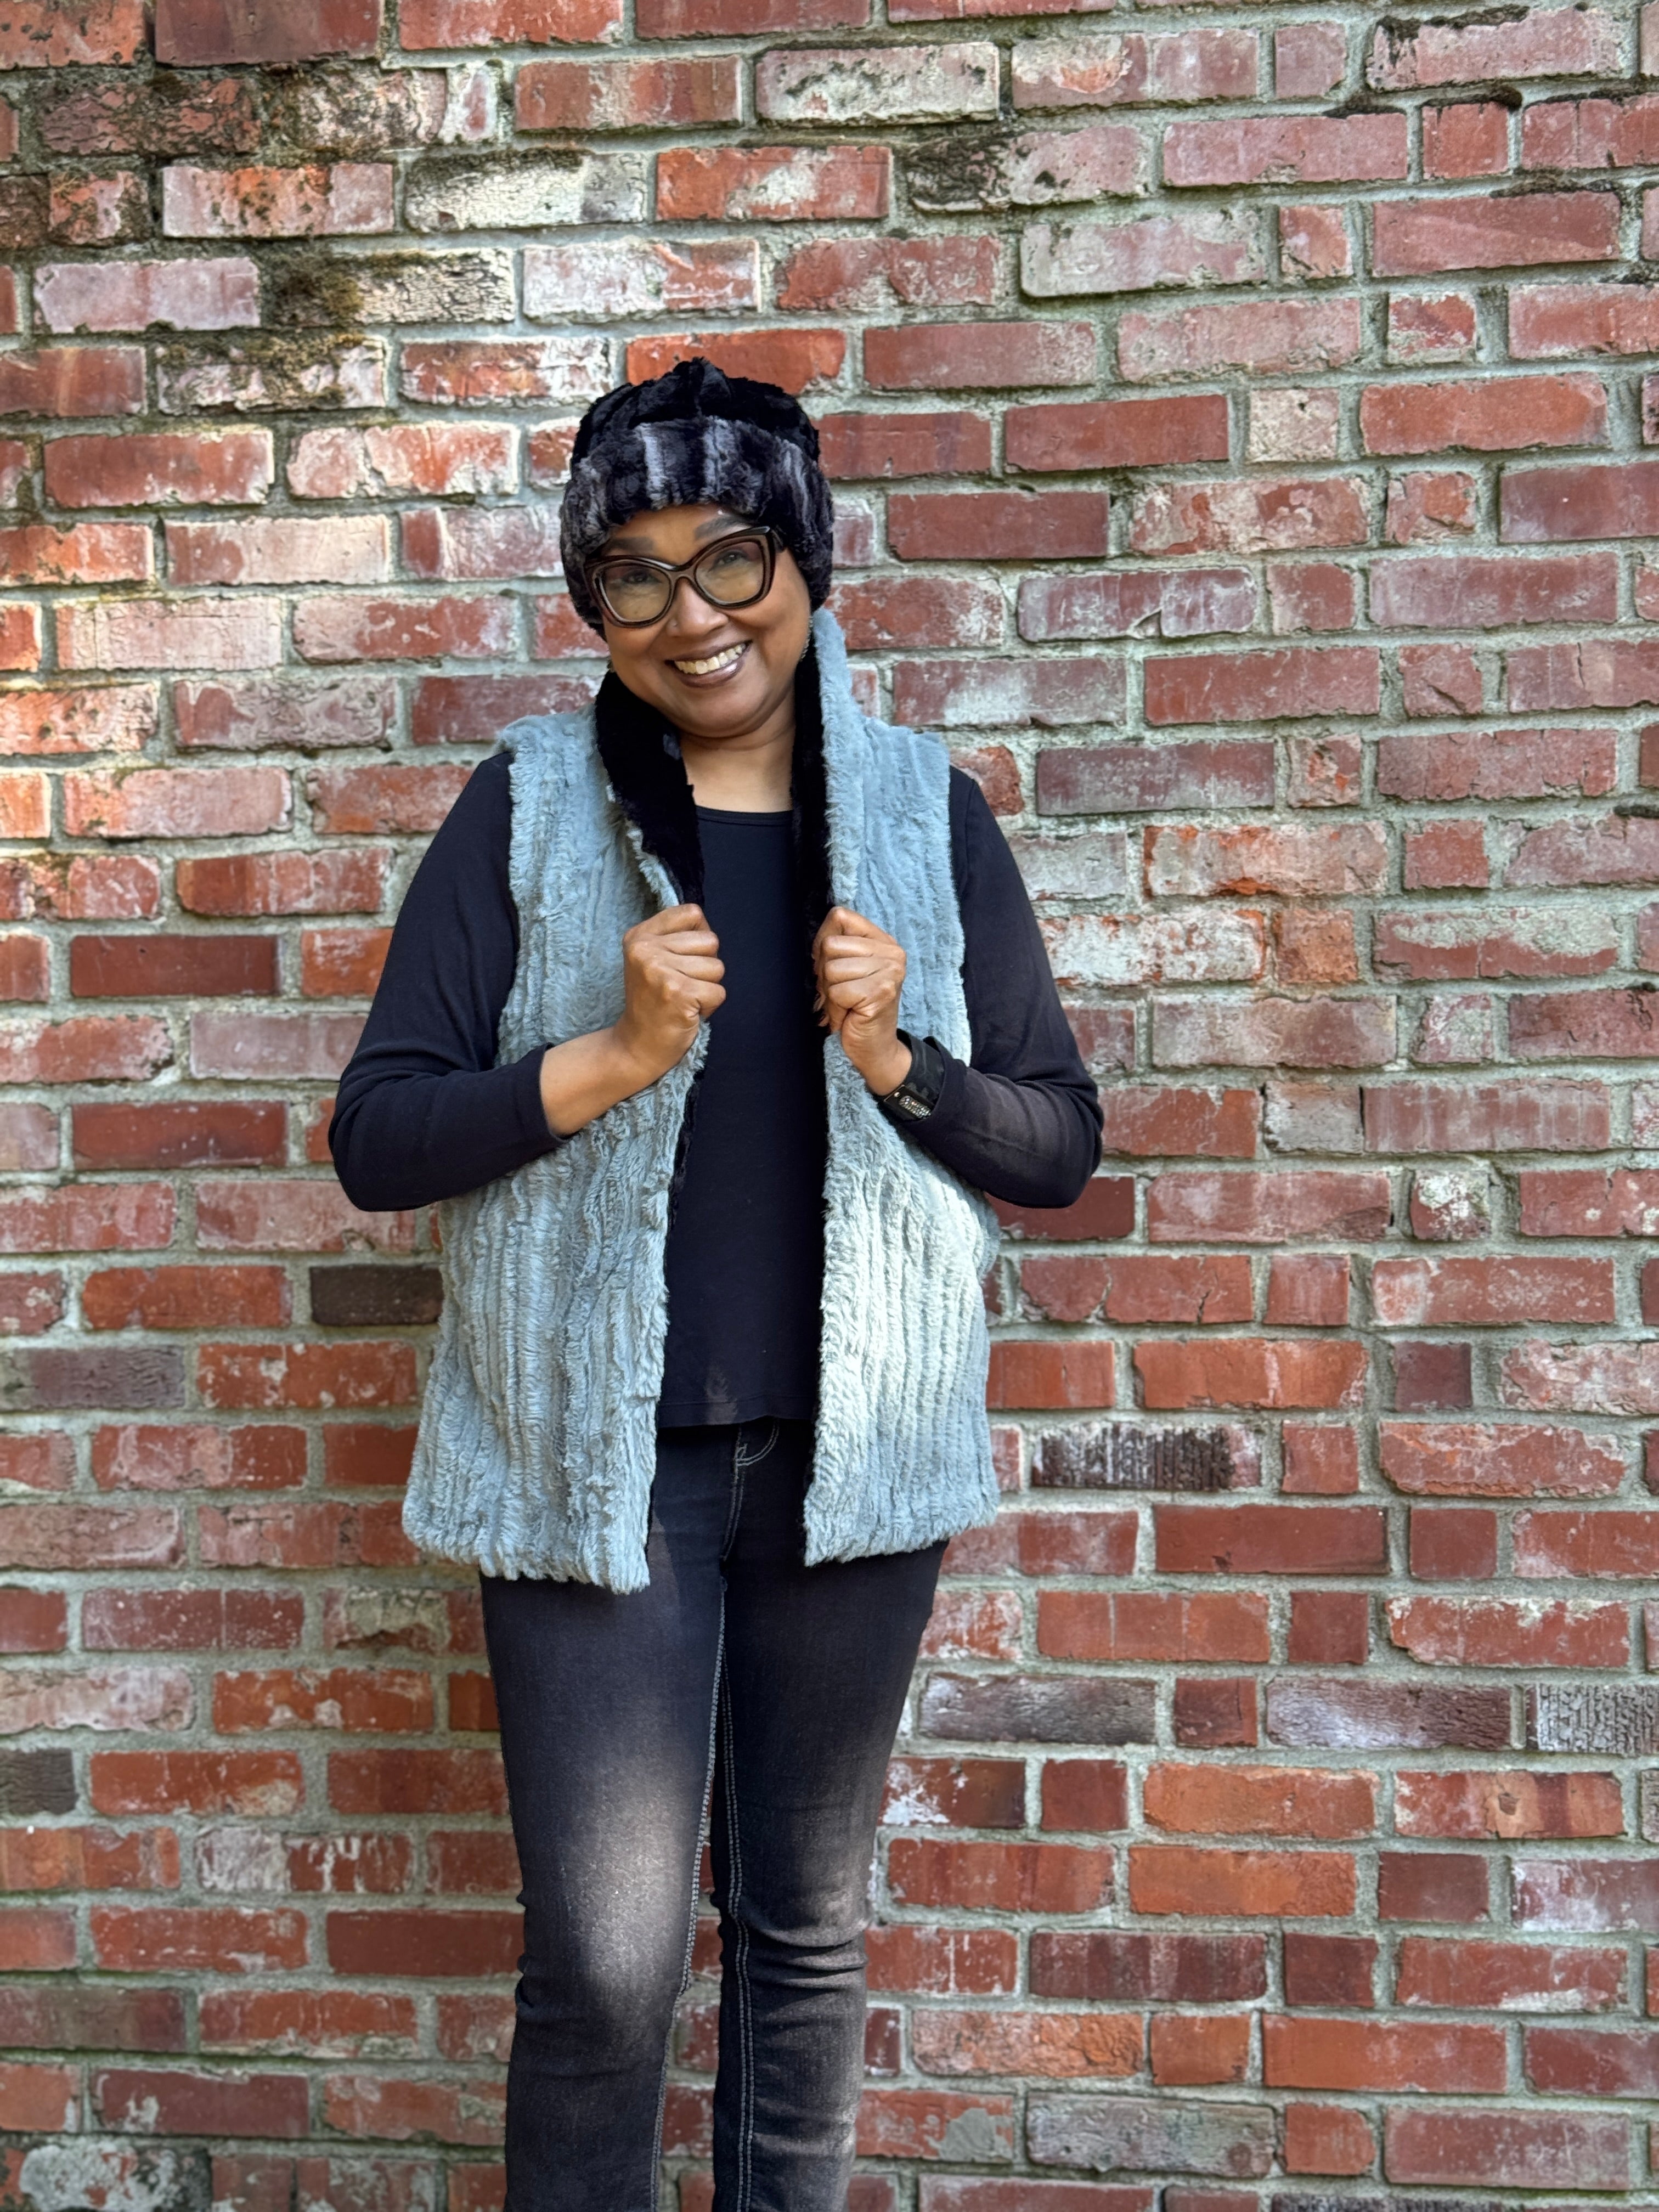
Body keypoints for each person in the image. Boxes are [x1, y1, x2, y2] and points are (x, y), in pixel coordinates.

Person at [330, 358, 1102, 2212]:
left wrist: (904, 1056)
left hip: (853, 1473)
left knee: (803, 1934)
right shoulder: (524, 812)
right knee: (604, 1969)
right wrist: (607, 1053)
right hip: (603, 1483)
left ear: (808, 557)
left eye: (733, 555)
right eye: (636, 577)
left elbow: (1058, 1145)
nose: (695, 616)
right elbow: (378, 1136)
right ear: (591, 602)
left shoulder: (932, 813)